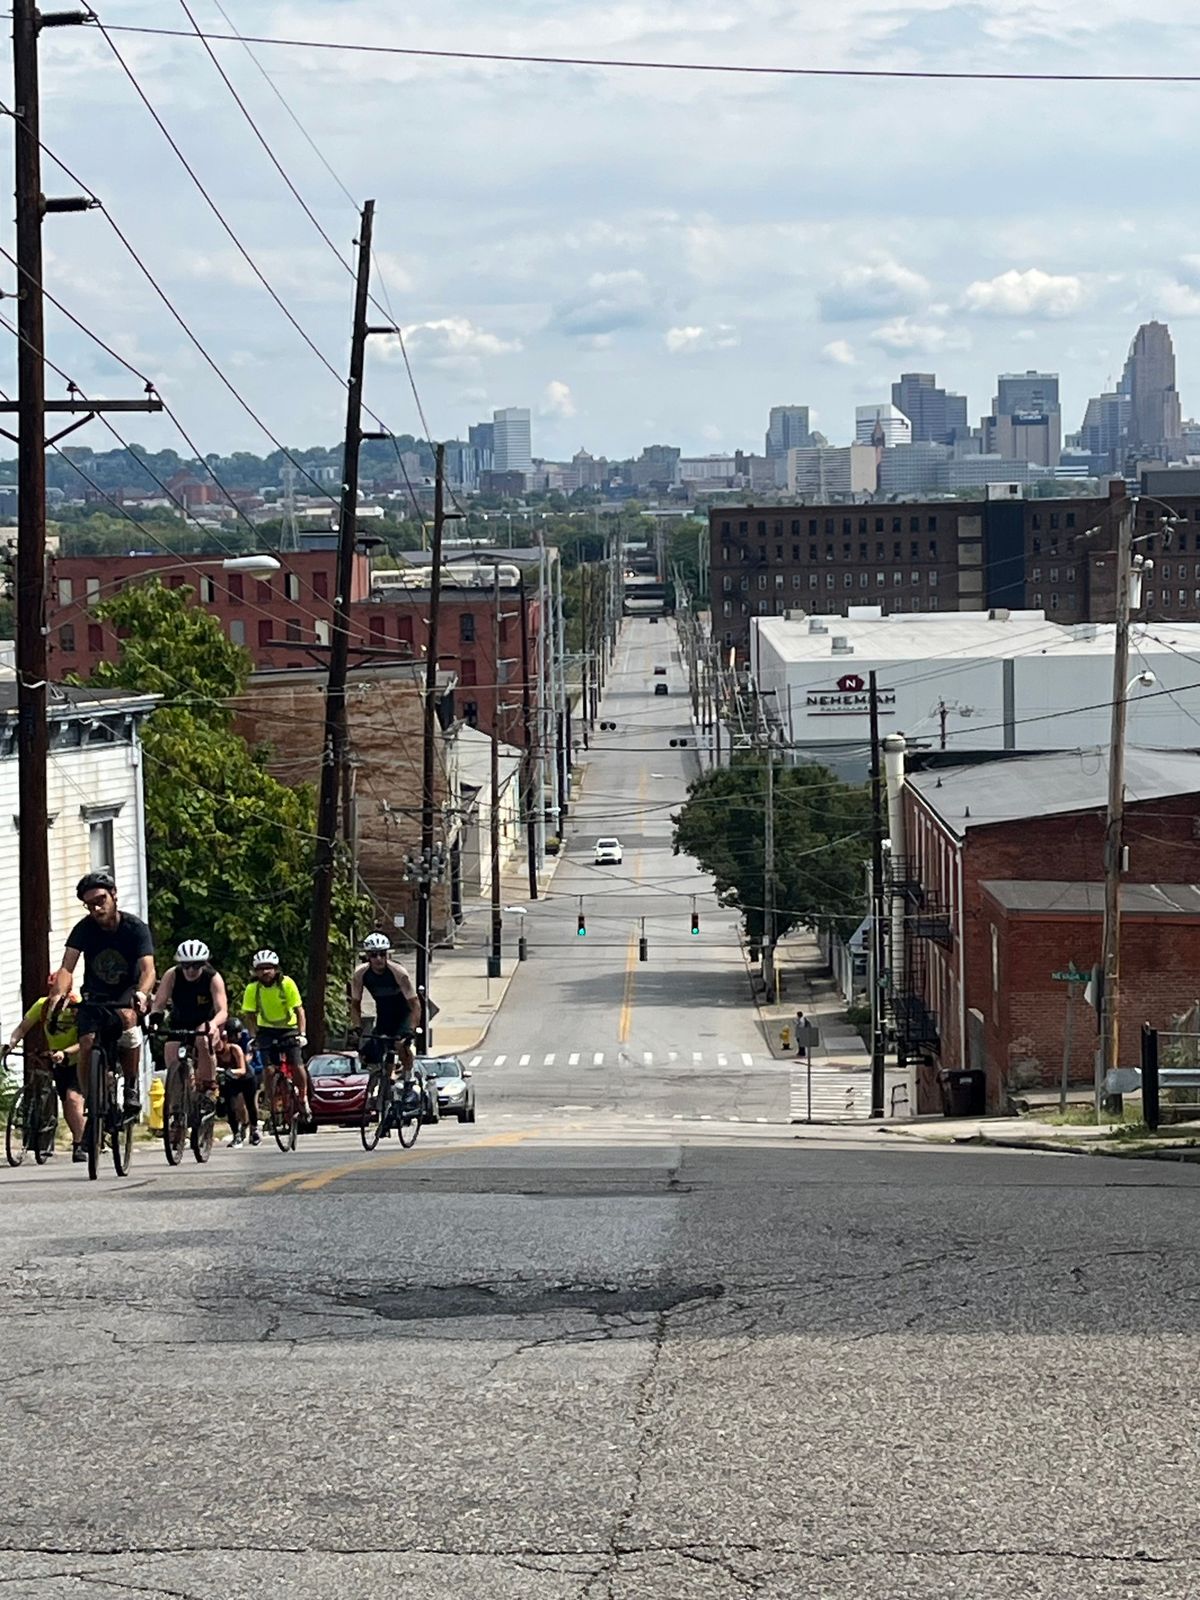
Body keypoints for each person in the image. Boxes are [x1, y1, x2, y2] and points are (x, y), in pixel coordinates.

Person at [49, 871, 155, 1126]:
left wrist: (141, 994)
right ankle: (91, 1101)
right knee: (86, 1043)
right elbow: (67, 967)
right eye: (90, 904)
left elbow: (148, 970)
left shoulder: (135, 929)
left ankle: (130, 1084)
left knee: (128, 1018)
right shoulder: (84, 929)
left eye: (100, 900)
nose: (96, 908)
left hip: (127, 991)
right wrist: (58, 995)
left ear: (113, 896)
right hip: (95, 993)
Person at [6, 978, 84, 1161]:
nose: (53, 992)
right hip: (57, 1060)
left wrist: (65, 1052)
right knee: (66, 1103)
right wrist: (10, 1044)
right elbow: (22, 1028)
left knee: (74, 1100)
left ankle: (80, 1145)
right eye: (50, 988)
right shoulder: (43, 1005)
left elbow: (86, 1040)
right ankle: (78, 1137)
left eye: (56, 989)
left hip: (78, 1060)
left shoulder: (78, 1007)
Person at [150, 940, 228, 1102]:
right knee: (170, 1049)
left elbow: (223, 1011)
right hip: (180, 1021)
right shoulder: (172, 975)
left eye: (196, 965)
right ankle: (177, 1105)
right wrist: (154, 1020)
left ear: (204, 964)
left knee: (203, 1040)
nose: (191, 970)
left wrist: (213, 1024)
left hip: (205, 1021)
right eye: (186, 966)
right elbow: (159, 1002)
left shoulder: (212, 977)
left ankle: (208, 1087)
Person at [240, 949, 309, 1123]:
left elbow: (299, 1010)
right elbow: (249, 1014)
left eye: (269, 968)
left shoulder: (286, 984)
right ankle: (270, 1103)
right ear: (255, 971)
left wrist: (302, 1034)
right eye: (261, 968)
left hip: (289, 1028)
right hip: (266, 1030)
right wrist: (254, 1036)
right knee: (269, 1069)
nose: (265, 972)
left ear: (276, 969)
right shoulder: (252, 988)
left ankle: (303, 1097)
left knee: (296, 1063)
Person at [349, 933, 423, 1079]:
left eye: (382, 954)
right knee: (370, 1052)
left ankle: (409, 1077)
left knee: (400, 1044)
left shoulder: (398, 972)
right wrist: (357, 1027)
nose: (379, 959)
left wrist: (411, 1029)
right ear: (368, 956)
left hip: (403, 1015)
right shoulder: (361, 974)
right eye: (374, 955)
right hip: (384, 1016)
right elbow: (355, 1004)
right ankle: (384, 1085)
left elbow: (415, 1004)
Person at [215, 1020, 259, 1147]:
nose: (219, 1044)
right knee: (230, 1107)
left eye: (223, 1039)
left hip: (246, 1079)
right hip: (230, 1081)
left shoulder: (235, 1049)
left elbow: (242, 1069)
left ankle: (254, 1130)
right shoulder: (214, 1054)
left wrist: (229, 1071)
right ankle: (236, 1135)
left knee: (250, 1104)